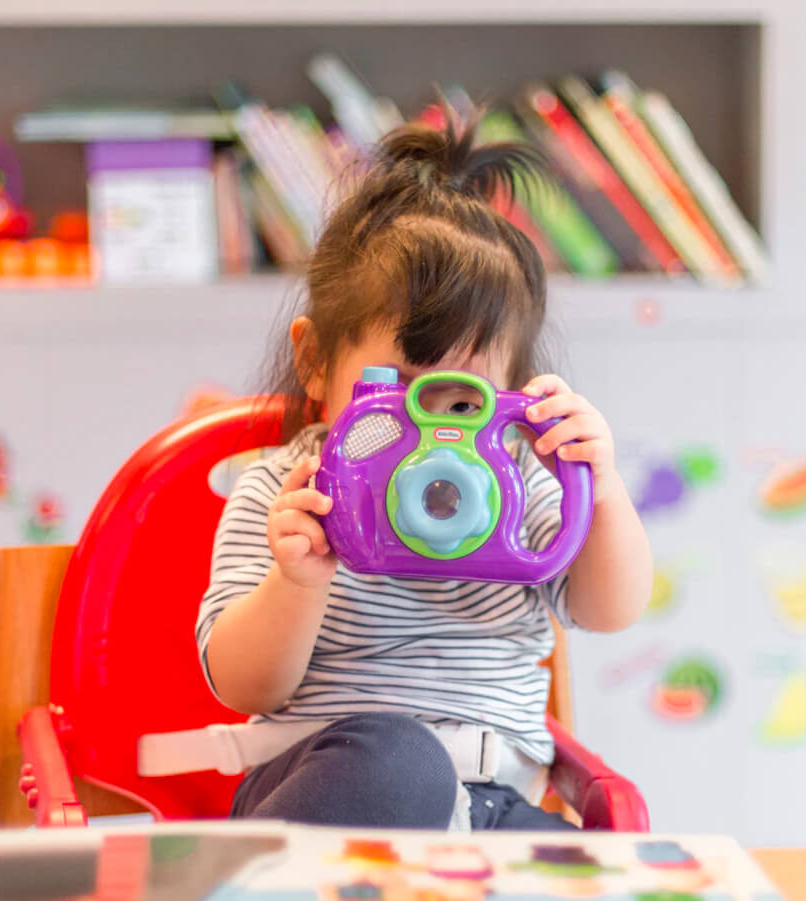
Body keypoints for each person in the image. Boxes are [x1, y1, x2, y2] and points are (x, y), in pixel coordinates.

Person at [196, 111, 652, 830]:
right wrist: (296, 581)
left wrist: (600, 488)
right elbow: (240, 681)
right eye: (399, 389)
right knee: (398, 761)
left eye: (459, 399)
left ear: (510, 393)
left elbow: (609, 608)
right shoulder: (287, 492)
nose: (429, 434)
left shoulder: (518, 485)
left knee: (587, 871)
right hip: (337, 784)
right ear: (317, 362)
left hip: (494, 801)